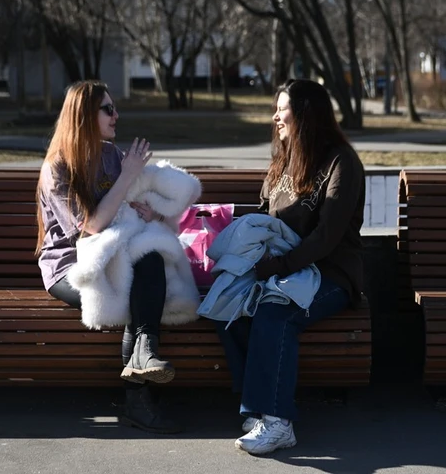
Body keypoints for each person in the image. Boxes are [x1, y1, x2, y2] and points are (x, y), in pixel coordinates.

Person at [215, 79, 366, 455]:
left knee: (275, 311)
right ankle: (256, 409)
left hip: (330, 274)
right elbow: (265, 218)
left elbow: (326, 237)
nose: (275, 117)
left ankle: (278, 422)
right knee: (229, 307)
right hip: (283, 270)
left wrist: (278, 266)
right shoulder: (283, 161)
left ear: (305, 114)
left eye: (282, 109)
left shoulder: (341, 163)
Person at [34, 80, 181, 434]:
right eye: (108, 109)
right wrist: (127, 174)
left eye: (115, 109)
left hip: (115, 257)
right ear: (85, 115)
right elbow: (91, 228)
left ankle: (144, 353)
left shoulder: (112, 155)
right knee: (136, 294)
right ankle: (139, 400)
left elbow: (134, 212)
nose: (117, 115)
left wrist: (152, 214)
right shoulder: (57, 168)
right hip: (71, 268)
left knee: (150, 259)